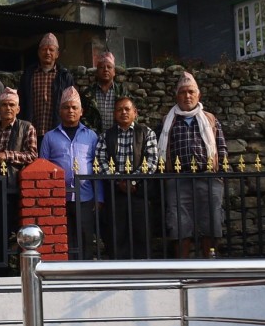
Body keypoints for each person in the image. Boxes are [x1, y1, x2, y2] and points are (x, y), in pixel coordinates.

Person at [157, 71, 227, 259]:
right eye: (183, 92)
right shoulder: (168, 121)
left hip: (208, 177)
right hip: (178, 179)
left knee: (211, 223)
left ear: (198, 95)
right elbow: (160, 151)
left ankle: (210, 265)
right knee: (179, 225)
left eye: (191, 92)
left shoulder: (210, 119)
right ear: (176, 96)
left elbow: (221, 148)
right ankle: (183, 266)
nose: (187, 96)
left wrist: (219, 175)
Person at [39, 87, 101, 259]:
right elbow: (43, 167)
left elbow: (98, 168)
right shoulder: (50, 137)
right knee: (63, 238)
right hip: (59, 197)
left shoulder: (91, 136)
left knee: (85, 238)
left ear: (81, 111)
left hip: (85, 197)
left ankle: (85, 270)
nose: (70, 111)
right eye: (66, 107)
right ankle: (65, 270)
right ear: (60, 111)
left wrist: (99, 197)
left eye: (74, 107)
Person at [95, 95, 159, 259]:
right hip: (115, 193)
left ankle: (142, 270)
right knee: (117, 236)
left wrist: (133, 181)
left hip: (140, 192)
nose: (123, 112)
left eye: (127, 109)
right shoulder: (105, 136)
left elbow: (152, 161)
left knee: (142, 235)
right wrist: (118, 180)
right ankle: (118, 271)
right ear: (114, 113)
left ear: (135, 112)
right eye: (119, 110)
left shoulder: (147, 133)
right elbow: (100, 161)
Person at [0, 87, 38, 236]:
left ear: (18, 109)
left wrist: (7, 155)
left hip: (13, 182)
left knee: (12, 225)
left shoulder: (26, 127)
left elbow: (32, 155)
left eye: (11, 105)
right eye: (4, 105)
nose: (8, 108)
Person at [18, 33, 75, 136]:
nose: (47, 52)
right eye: (44, 49)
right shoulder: (28, 75)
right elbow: (21, 102)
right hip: (31, 132)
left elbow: (71, 104)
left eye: (51, 50)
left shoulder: (65, 77)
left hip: (57, 131)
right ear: (39, 52)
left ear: (57, 54)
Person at [81, 50, 127, 134]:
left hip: (118, 137)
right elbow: (81, 116)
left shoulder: (122, 92)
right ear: (97, 71)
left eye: (109, 67)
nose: (106, 70)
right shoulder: (88, 93)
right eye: (102, 67)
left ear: (114, 72)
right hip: (93, 138)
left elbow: (130, 115)